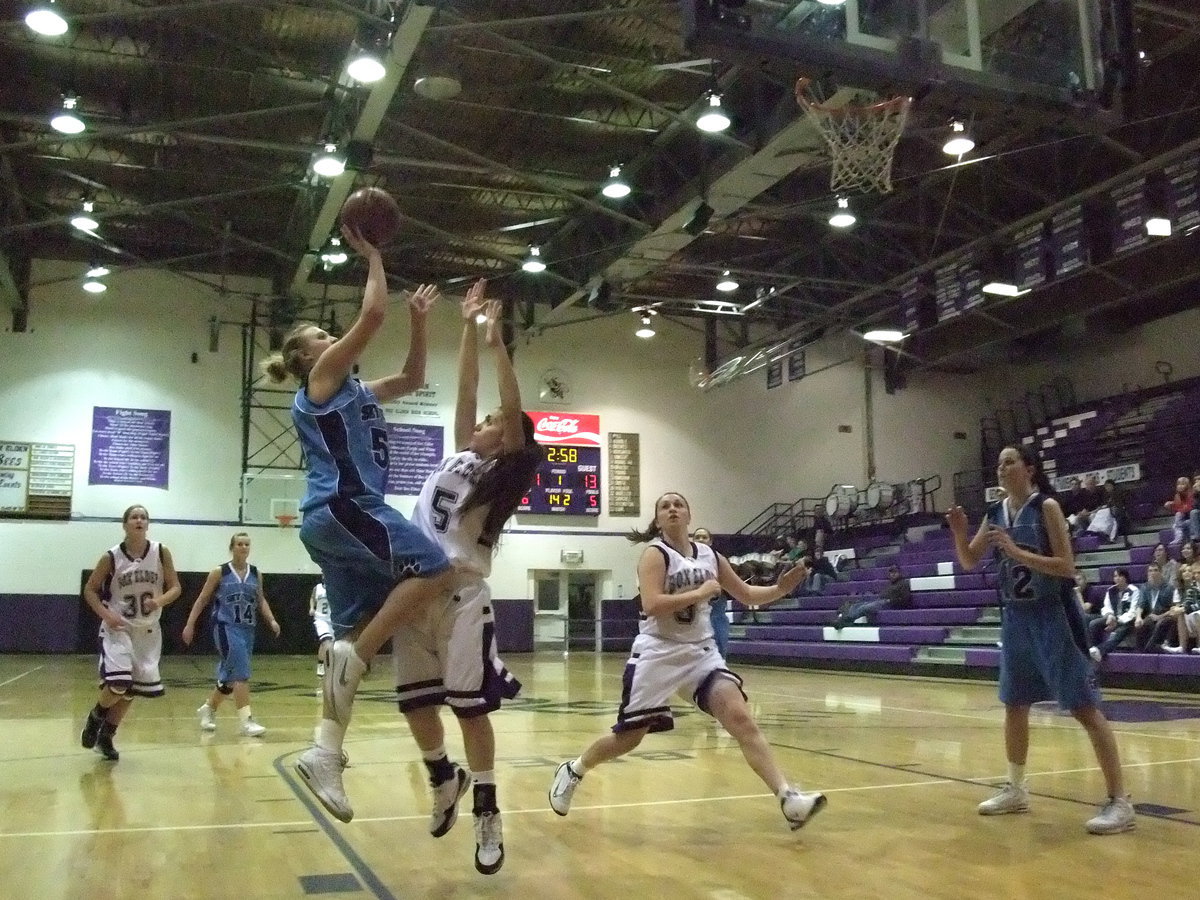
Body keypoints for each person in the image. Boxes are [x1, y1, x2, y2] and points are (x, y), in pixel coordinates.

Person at [263, 224, 456, 823]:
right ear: (304, 359)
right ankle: (356, 654)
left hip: (334, 523)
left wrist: (421, 322)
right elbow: (371, 317)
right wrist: (373, 254)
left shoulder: (356, 389)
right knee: (435, 568)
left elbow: (415, 379)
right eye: (321, 335)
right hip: (348, 508)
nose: (331, 337)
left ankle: (325, 753)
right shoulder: (320, 384)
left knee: (353, 639)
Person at [548, 492, 825, 831]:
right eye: (665, 506)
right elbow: (651, 605)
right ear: (658, 520)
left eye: (678, 504)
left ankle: (788, 799)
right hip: (658, 652)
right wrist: (700, 592)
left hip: (700, 653)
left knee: (740, 718)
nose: (673, 509)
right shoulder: (655, 555)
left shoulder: (710, 555)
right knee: (629, 738)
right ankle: (574, 769)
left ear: (689, 515)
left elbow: (748, 595)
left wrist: (781, 589)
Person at [394, 283, 541, 875]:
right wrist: (463, 325)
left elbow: (506, 403)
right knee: (414, 707)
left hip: (459, 596)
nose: (482, 421)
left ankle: (486, 808)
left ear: (508, 437)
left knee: (469, 711)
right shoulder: (458, 454)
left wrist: (495, 339)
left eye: (495, 422)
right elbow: (465, 390)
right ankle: (442, 776)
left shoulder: (506, 474)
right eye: (482, 421)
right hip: (412, 593)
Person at [947, 445, 1134, 835]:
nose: (1001, 468)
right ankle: (1016, 789)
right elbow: (968, 561)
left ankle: (1120, 801)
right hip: (1016, 618)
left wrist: (1016, 551)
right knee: (1014, 704)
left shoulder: (1046, 507)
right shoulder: (995, 513)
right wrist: (960, 534)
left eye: (1010, 461)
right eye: (998, 463)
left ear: (1029, 468)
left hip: (1054, 616)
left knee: (1083, 707)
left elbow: (1067, 568)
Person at [80, 505, 182, 762]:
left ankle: (107, 736)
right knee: (118, 683)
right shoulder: (111, 557)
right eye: (134, 517)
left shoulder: (161, 552)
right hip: (119, 628)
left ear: (148, 524)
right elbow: (90, 590)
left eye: (143, 517)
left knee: (130, 690)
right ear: (124, 524)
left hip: (147, 631)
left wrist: (160, 601)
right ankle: (95, 717)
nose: (139, 520)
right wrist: (107, 615)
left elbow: (176, 587)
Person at [182, 532, 280, 735]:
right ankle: (247, 721)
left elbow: (261, 600)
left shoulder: (256, 573)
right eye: (239, 544)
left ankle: (208, 709)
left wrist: (271, 619)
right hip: (226, 627)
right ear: (232, 547)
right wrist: (190, 624)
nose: (243, 547)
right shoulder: (220, 572)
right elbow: (202, 599)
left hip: (247, 629)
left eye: (246, 544)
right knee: (241, 674)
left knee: (228, 677)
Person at [1087, 568, 1143, 662]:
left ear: (1125, 577)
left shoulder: (1134, 590)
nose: (1117, 578)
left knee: (1122, 629)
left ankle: (1099, 650)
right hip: (1111, 618)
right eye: (1115, 576)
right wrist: (1110, 615)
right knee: (1093, 623)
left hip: (1127, 620)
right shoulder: (1110, 590)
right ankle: (1092, 647)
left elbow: (1133, 611)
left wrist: (1117, 620)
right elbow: (1106, 607)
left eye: (1119, 576)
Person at [831, 564, 912, 629]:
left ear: (899, 573)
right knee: (858, 604)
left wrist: (890, 601)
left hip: (889, 604)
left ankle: (845, 621)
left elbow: (905, 599)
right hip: (881, 601)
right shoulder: (890, 584)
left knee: (865, 607)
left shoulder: (903, 584)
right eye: (891, 572)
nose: (893, 574)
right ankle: (844, 618)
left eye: (895, 572)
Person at [692, 528, 730, 656]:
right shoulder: (685, 561)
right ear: (692, 540)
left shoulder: (718, 560)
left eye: (704, 537)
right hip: (694, 610)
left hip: (715, 609)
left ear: (710, 541)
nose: (701, 540)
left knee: (719, 648)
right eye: (697, 537)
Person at [309, 579, 333, 676]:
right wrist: (312, 608)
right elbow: (312, 598)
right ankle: (321, 666)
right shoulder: (317, 588)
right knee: (326, 641)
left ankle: (327, 664)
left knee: (329, 644)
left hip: (332, 619)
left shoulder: (334, 587)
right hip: (320, 619)